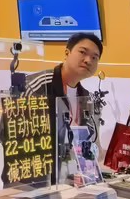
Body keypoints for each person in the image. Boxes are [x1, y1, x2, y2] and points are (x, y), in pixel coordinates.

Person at [22, 32, 104, 183]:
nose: (88, 60)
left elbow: (87, 141)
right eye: (82, 52)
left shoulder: (86, 98)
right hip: (35, 179)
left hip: (70, 180)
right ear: (67, 53)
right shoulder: (38, 86)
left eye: (94, 57)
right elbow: (17, 134)